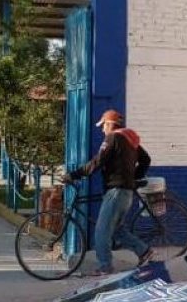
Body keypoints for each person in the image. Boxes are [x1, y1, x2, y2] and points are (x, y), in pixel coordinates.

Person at [63, 109, 153, 276]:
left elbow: (97, 162)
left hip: (116, 192)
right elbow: (146, 160)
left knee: (101, 231)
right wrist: (133, 178)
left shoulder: (113, 138)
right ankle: (144, 251)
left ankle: (105, 266)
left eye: (103, 125)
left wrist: (73, 175)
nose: (102, 129)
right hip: (125, 192)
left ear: (110, 124)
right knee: (117, 230)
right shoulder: (129, 139)